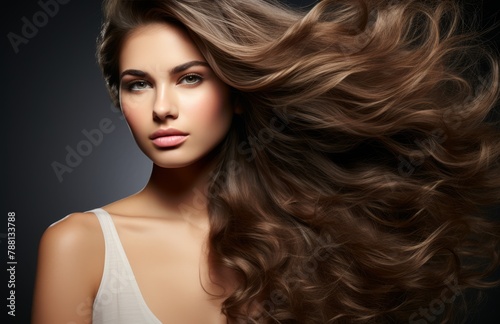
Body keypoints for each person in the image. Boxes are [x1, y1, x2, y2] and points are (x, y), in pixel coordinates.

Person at [32, 0, 500, 323]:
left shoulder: (304, 235)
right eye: (138, 84)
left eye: (190, 78)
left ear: (236, 93)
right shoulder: (79, 245)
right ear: (120, 99)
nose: (162, 107)